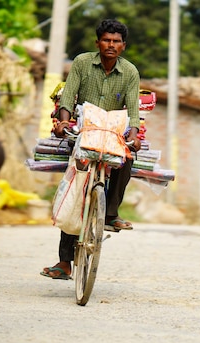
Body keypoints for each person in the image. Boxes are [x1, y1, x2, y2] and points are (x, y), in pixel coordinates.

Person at [41, 19, 141, 280]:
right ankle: (64, 263)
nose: (111, 45)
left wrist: (134, 135)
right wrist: (63, 121)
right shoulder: (83, 62)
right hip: (84, 131)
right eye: (106, 40)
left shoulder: (130, 72)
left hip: (113, 132)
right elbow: (68, 96)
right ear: (98, 43)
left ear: (123, 46)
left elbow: (133, 112)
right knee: (78, 189)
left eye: (116, 41)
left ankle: (111, 213)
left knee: (128, 159)